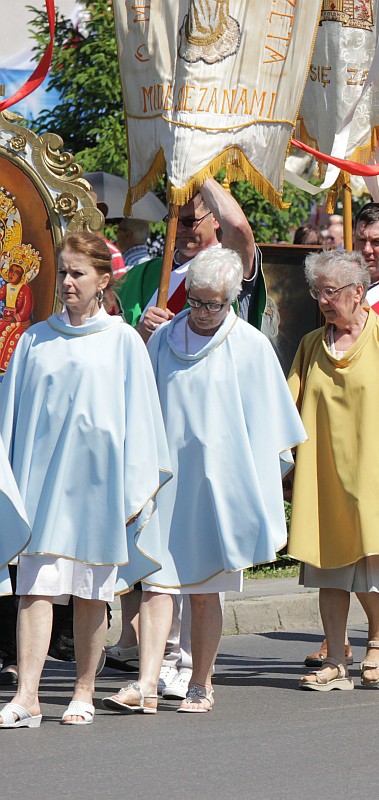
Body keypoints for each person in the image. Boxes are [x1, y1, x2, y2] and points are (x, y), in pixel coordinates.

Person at [101, 248, 307, 716]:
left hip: (218, 488)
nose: (201, 311)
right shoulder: (162, 339)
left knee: (203, 590)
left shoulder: (250, 345)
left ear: (232, 299)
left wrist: (254, 483)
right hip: (167, 482)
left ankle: (201, 681)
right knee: (156, 582)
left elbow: (271, 425)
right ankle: (148, 683)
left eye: (213, 303)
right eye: (194, 300)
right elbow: (140, 402)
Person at [0, 232, 171, 728]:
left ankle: (83, 690)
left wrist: (132, 486)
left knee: (90, 590)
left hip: (98, 490)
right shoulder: (35, 339)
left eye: (78, 273)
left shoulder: (122, 342)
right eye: (64, 272)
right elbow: (13, 417)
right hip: (44, 487)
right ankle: (27, 695)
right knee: (35, 588)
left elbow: (141, 421)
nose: (68, 282)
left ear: (103, 280)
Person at [287, 249, 379, 690]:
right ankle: (336, 660)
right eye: (318, 292)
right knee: (328, 572)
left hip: (376, 475)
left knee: (370, 569)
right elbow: (287, 407)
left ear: (358, 292)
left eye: (331, 292)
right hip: (324, 475)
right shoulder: (311, 346)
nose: (323, 301)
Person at [116, 178, 266, 338]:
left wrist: (197, 171)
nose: (179, 229)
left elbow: (238, 228)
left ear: (215, 218)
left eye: (189, 221)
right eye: (173, 220)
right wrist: (140, 331)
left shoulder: (229, 266)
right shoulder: (145, 273)